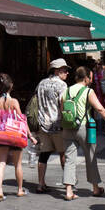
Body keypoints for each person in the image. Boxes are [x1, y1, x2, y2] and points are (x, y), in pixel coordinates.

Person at [62, 66, 105, 198]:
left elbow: (62, 109)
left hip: (67, 127)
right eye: (91, 77)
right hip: (84, 128)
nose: (92, 80)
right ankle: (95, 188)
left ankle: (68, 191)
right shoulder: (88, 91)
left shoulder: (66, 91)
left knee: (69, 159)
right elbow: (99, 108)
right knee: (91, 156)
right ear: (86, 78)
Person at [0, 74, 35, 200]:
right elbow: (22, 120)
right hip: (15, 135)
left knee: (1, 162)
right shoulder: (14, 101)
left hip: (1, 135)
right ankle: (20, 189)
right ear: (11, 86)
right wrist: (30, 135)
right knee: (18, 164)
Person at [33, 59, 72, 195]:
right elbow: (63, 104)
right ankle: (68, 184)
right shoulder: (62, 85)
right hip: (57, 125)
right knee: (63, 154)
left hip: (43, 124)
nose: (67, 72)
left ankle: (40, 183)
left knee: (43, 155)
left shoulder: (41, 83)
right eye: (64, 70)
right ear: (56, 71)